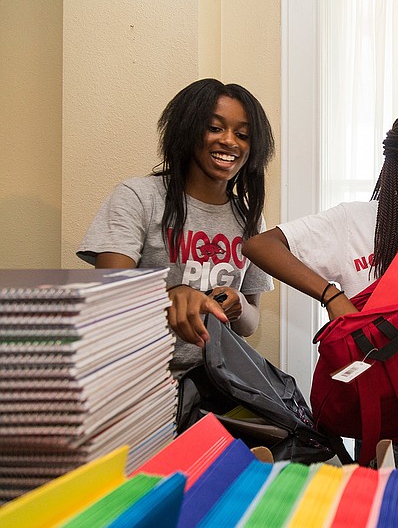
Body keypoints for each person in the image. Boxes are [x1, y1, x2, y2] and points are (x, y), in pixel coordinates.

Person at [242, 102, 398, 469]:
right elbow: (259, 245)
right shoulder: (353, 222)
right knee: (387, 515)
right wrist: (331, 296)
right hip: (383, 416)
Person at [78, 78, 275, 377]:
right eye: (215, 128)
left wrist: (238, 307)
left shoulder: (250, 219)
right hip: (139, 381)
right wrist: (170, 296)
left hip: (215, 386)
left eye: (243, 134)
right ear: (187, 129)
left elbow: (251, 323)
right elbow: (110, 299)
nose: (230, 141)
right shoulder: (139, 197)